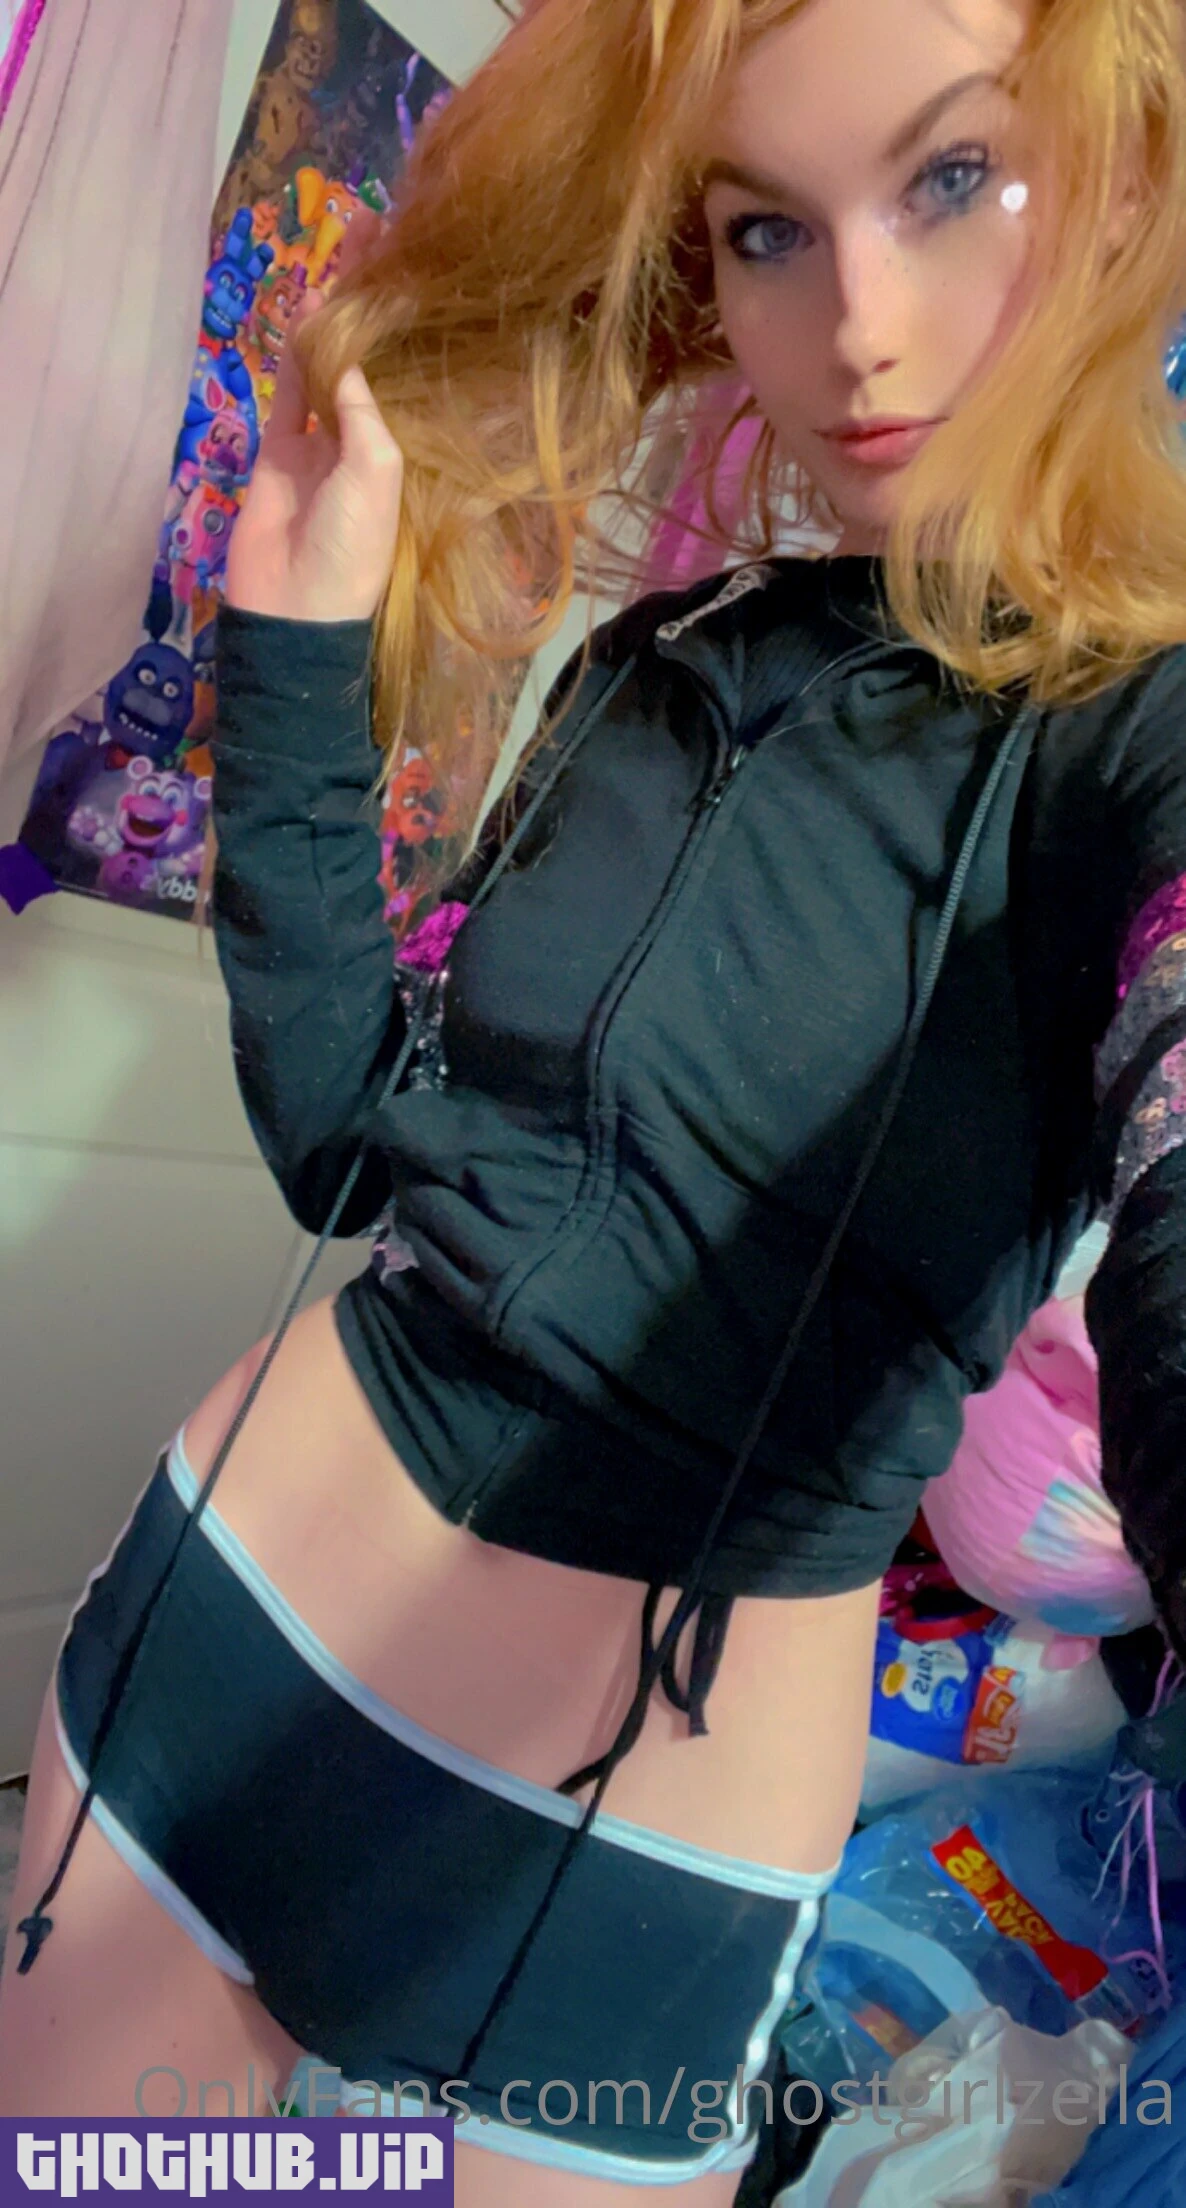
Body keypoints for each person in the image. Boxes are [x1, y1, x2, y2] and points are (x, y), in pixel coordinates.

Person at [4, 0, 1186, 2197]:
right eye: (765, 228)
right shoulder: (666, 663)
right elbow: (352, 1144)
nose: (858, 323)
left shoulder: (1140, 746)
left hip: (627, 1851)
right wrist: (295, 650)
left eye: (951, 178)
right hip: (230, 1622)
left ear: (1118, 182)